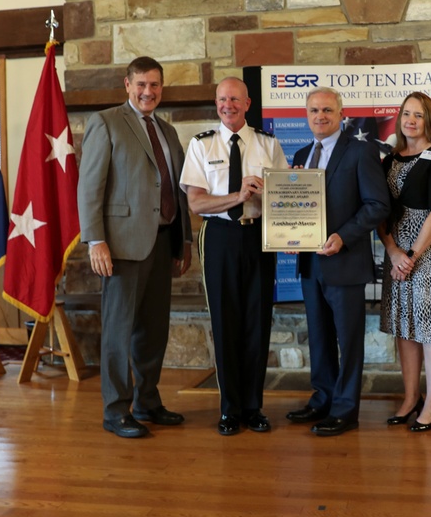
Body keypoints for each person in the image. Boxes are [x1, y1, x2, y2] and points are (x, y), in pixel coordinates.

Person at [77, 56, 192, 439]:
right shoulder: (106, 122)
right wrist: (96, 240)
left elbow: (178, 189)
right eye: (141, 84)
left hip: (162, 242)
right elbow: (89, 186)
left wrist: (184, 239)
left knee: (153, 329)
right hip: (122, 247)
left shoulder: (168, 132)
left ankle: (148, 401)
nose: (148, 92)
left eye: (155, 85)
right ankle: (115, 409)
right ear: (127, 85)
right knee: (118, 329)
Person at [180, 77, 287, 436]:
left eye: (235, 100)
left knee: (257, 321)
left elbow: (285, 197)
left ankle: (253, 407)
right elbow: (196, 202)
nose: (228, 105)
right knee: (225, 323)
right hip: (220, 237)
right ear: (217, 103)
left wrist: (271, 189)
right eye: (223, 99)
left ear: (248, 103)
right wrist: (237, 197)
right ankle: (229, 409)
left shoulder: (268, 144)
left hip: (258, 236)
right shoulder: (201, 145)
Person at [285, 87, 390, 437]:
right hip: (310, 265)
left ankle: (345, 409)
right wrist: (289, 236)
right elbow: (297, 208)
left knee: (348, 339)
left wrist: (343, 236)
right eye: (314, 110)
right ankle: (323, 398)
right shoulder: (301, 153)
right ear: (306, 114)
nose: (320, 116)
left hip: (344, 262)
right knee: (319, 336)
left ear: (341, 113)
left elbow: (377, 205)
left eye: (327, 110)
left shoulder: (361, 152)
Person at [377, 92, 431, 432]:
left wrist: (411, 254)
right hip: (397, 250)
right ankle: (411, 397)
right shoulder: (390, 159)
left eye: (418, 115)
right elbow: (380, 209)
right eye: (406, 114)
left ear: (429, 120)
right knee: (405, 325)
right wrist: (392, 250)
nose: (411, 121)